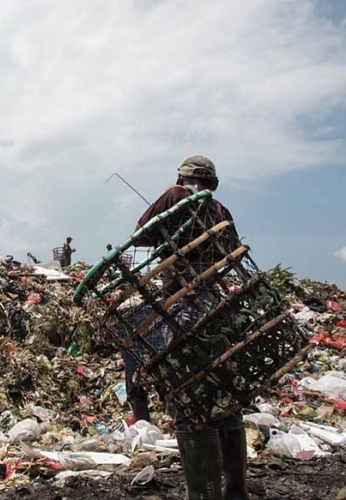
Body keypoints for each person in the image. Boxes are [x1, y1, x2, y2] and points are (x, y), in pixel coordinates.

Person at [124, 155, 247, 500]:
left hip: (181, 309)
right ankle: (235, 492)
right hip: (216, 308)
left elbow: (139, 238)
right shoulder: (220, 210)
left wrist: (168, 236)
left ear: (183, 177)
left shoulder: (174, 196)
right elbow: (233, 251)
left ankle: (203, 495)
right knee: (227, 399)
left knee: (188, 401)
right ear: (212, 183)